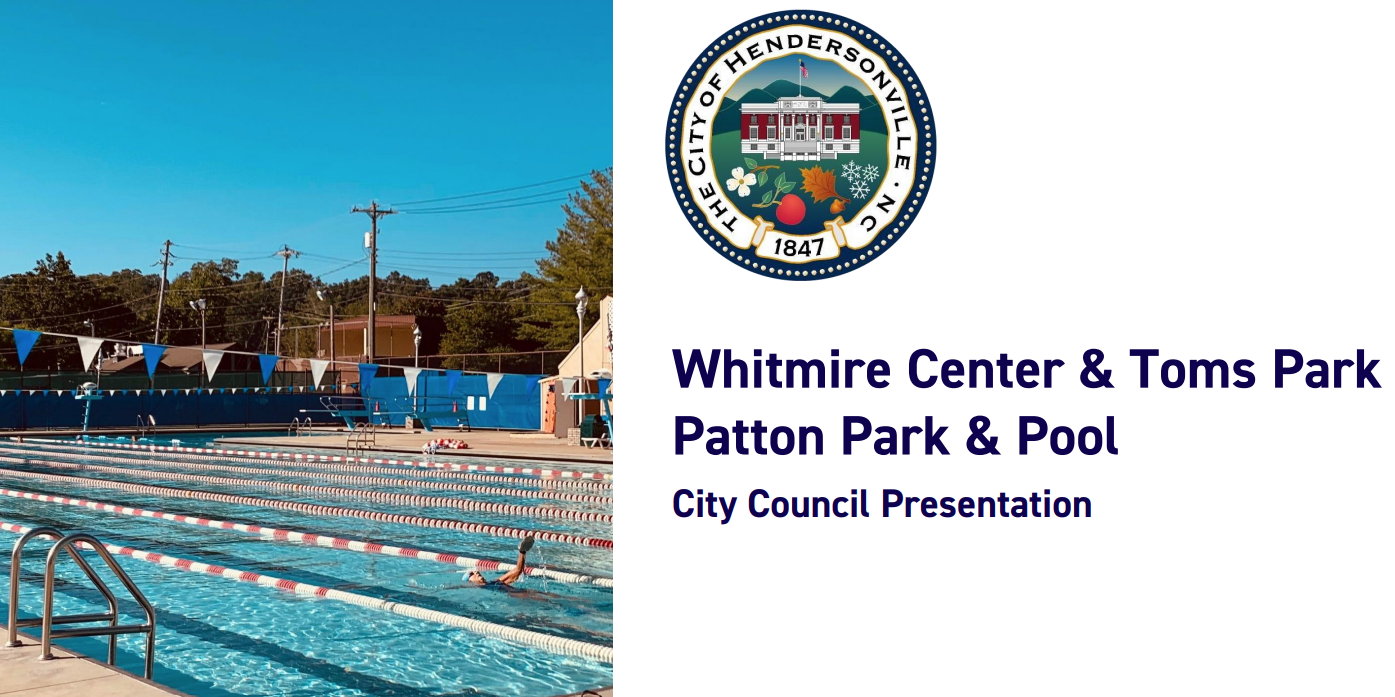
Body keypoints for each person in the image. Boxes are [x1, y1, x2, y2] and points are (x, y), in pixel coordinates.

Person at [465, 535, 535, 588]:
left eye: (475, 571)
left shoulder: (494, 582)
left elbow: (517, 571)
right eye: (471, 574)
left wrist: (522, 552)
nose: (476, 572)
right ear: (470, 582)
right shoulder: (485, 587)